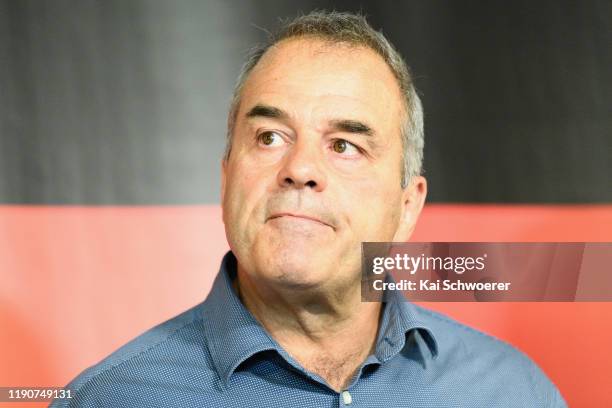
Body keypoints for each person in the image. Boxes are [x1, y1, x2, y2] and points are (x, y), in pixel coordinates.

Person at [52, 10, 566, 407]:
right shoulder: (110, 397)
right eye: (270, 137)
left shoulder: (511, 391)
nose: (300, 169)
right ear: (227, 176)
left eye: (344, 145)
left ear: (407, 207)